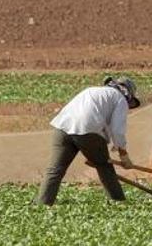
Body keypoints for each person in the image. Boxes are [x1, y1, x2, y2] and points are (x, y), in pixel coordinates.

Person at [34, 76, 141, 205]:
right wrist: (123, 154)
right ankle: (118, 201)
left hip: (62, 128)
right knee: (104, 166)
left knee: (55, 169)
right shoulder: (120, 99)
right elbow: (117, 129)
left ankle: (42, 204)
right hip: (87, 131)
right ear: (128, 93)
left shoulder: (91, 90)